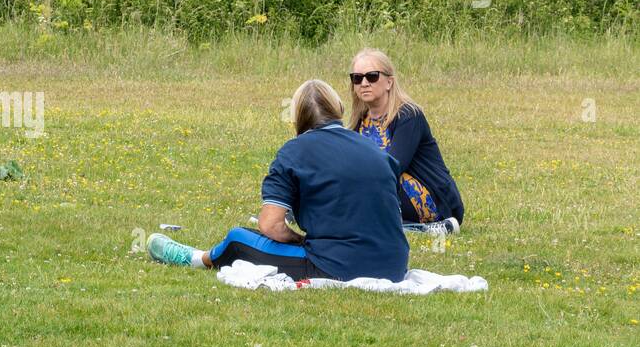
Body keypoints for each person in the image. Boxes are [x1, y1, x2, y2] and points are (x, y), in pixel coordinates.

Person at [148, 79, 409, 281]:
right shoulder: (376, 151)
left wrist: (299, 239)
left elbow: (270, 225)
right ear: (338, 109)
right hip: (396, 264)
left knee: (238, 238)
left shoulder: (294, 151)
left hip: (336, 266)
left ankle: (196, 258)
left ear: (297, 117)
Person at [347, 48, 463, 231]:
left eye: (372, 76)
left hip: (431, 199)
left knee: (372, 178)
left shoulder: (408, 115)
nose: (364, 83)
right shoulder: (359, 121)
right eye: (357, 78)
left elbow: (392, 167)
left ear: (389, 82)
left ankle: (426, 226)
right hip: (384, 192)